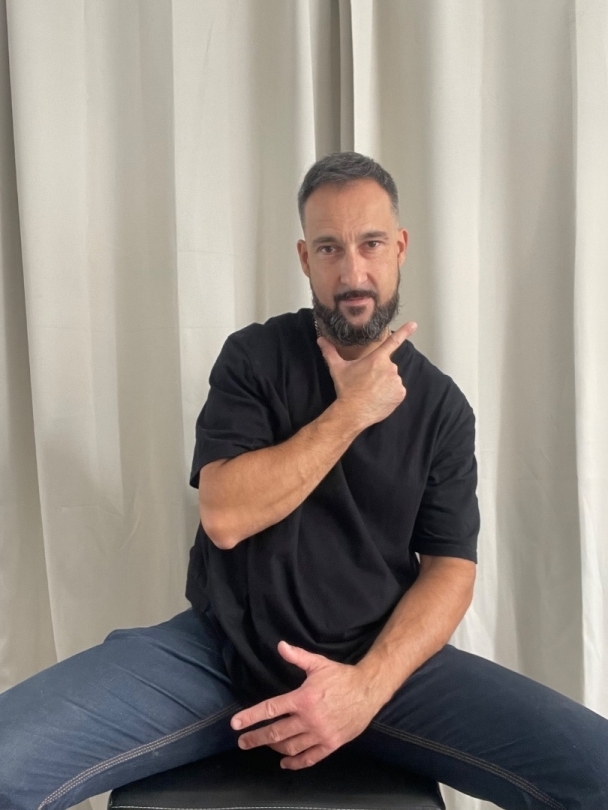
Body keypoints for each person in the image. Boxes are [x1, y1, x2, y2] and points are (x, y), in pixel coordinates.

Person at [1, 152, 607, 810]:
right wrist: (351, 413)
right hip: (217, 659)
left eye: (371, 244)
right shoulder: (254, 357)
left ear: (400, 247)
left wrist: (366, 688)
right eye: (329, 248)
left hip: (380, 671)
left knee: (595, 772)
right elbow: (224, 516)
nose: (352, 273)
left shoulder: (441, 407)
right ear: (304, 258)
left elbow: (450, 568)